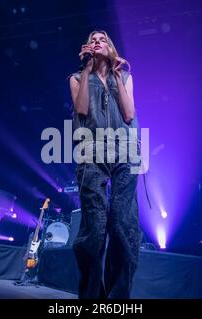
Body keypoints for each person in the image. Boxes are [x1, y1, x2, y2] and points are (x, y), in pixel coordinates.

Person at [69, 30, 141, 299]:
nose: (98, 41)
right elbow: (82, 110)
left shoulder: (125, 77)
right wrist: (88, 70)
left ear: (110, 48)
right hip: (92, 153)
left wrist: (118, 76)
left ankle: (117, 298)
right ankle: (90, 297)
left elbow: (129, 112)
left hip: (123, 152)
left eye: (103, 40)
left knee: (123, 225)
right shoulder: (77, 78)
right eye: (93, 39)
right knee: (95, 229)